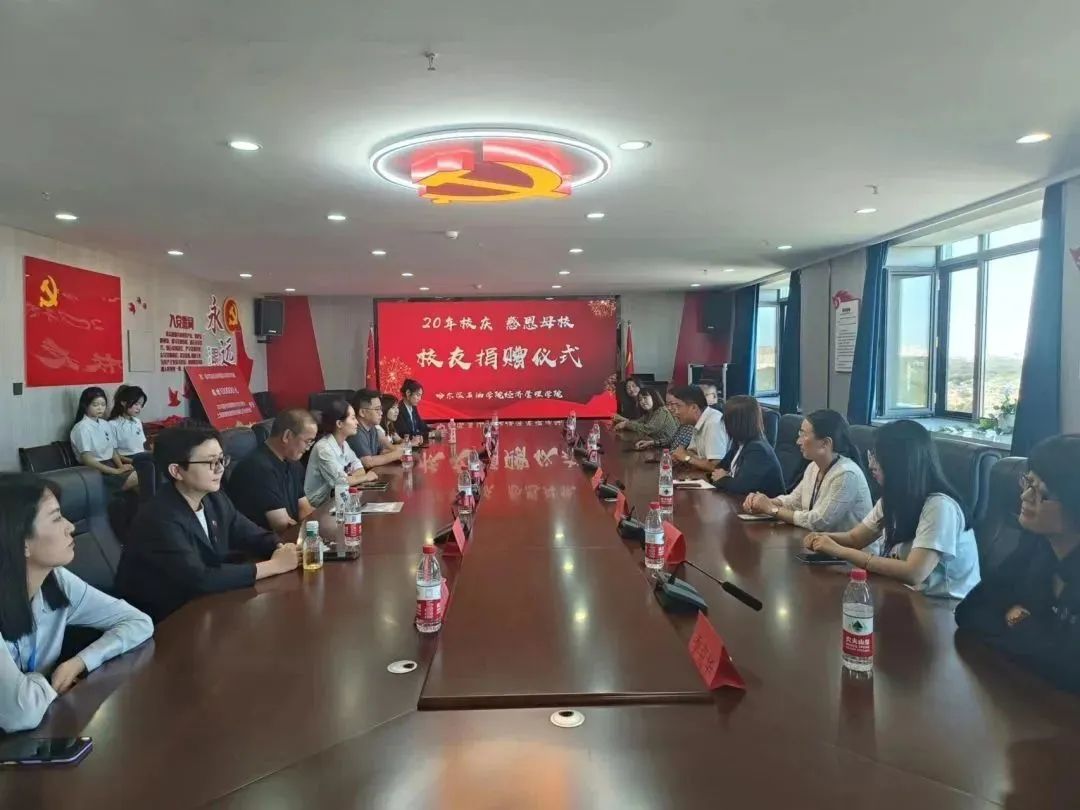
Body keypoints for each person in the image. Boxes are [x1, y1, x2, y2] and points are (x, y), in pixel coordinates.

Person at [0, 474, 152, 732]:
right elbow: (20, 713)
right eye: (56, 518)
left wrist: (80, 662)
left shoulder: (57, 581)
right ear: (21, 542)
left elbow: (138, 622)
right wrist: (44, 682)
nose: (70, 526)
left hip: (35, 734)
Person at [116, 425, 300, 622]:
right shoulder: (159, 517)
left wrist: (282, 547)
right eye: (211, 462)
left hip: (205, 606)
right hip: (162, 619)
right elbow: (199, 578)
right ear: (177, 471)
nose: (220, 468)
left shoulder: (215, 498)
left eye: (221, 459)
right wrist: (275, 565)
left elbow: (250, 534)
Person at [956, 434, 1080, 693]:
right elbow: (970, 610)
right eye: (1027, 482)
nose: (1025, 496)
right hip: (1026, 695)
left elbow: (1070, 670)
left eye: (1041, 492)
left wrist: (1015, 619)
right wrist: (1037, 636)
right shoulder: (1036, 546)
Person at [804, 420, 980, 599]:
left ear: (900, 462)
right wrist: (823, 538)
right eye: (871, 455)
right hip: (906, 594)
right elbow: (855, 538)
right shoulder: (893, 497)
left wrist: (839, 551)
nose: (871, 464)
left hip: (945, 605)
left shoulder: (940, 507)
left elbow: (914, 573)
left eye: (877, 457)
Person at [742, 409, 873, 531]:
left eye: (803, 435)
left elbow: (819, 521)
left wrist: (771, 509)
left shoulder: (846, 474)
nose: (798, 441)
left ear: (825, 443)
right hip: (820, 542)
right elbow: (795, 501)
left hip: (849, 548)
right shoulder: (813, 467)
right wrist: (763, 502)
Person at [227, 409, 317, 531]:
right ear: (287, 436)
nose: (308, 448)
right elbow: (283, 525)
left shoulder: (292, 462)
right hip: (264, 541)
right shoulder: (257, 469)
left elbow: (304, 508)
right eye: (307, 441)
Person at [305, 400, 379, 508]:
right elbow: (341, 483)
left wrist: (349, 479)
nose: (357, 422)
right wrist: (366, 478)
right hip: (319, 506)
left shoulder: (344, 444)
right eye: (353, 418)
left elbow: (360, 470)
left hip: (339, 498)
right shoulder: (324, 448)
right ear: (339, 423)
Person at [708, 395, 784, 496]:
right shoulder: (738, 443)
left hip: (763, 504)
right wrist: (723, 477)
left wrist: (724, 478)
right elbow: (718, 469)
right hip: (738, 501)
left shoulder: (758, 450)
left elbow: (743, 487)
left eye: (726, 421)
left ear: (736, 423)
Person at [70, 387, 137, 492]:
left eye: (103, 404)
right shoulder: (81, 428)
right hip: (94, 471)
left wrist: (121, 468)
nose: (100, 408)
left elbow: (112, 451)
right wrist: (115, 471)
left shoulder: (105, 424)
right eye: (95, 405)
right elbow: (88, 460)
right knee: (141, 477)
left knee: (144, 474)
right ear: (85, 405)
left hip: (111, 465)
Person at [668, 385, 730, 473]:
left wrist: (686, 458)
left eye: (678, 406)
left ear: (694, 407)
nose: (675, 411)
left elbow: (717, 467)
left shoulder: (713, 423)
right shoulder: (698, 421)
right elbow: (692, 451)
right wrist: (679, 456)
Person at [348, 389, 405, 469]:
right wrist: (396, 455)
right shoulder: (355, 431)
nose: (381, 413)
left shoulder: (372, 428)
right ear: (362, 412)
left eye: (381, 409)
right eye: (377, 409)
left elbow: (381, 451)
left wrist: (403, 451)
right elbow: (368, 462)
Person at [109, 385, 148, 459]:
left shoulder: (137, 421)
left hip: (141, 456)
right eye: (136, 404)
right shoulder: (112, 424)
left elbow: (141, 447)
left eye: (141, 405)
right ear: (123, 403)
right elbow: (113, 453)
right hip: (126, 459)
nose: (139, 408)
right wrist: (132, 461)